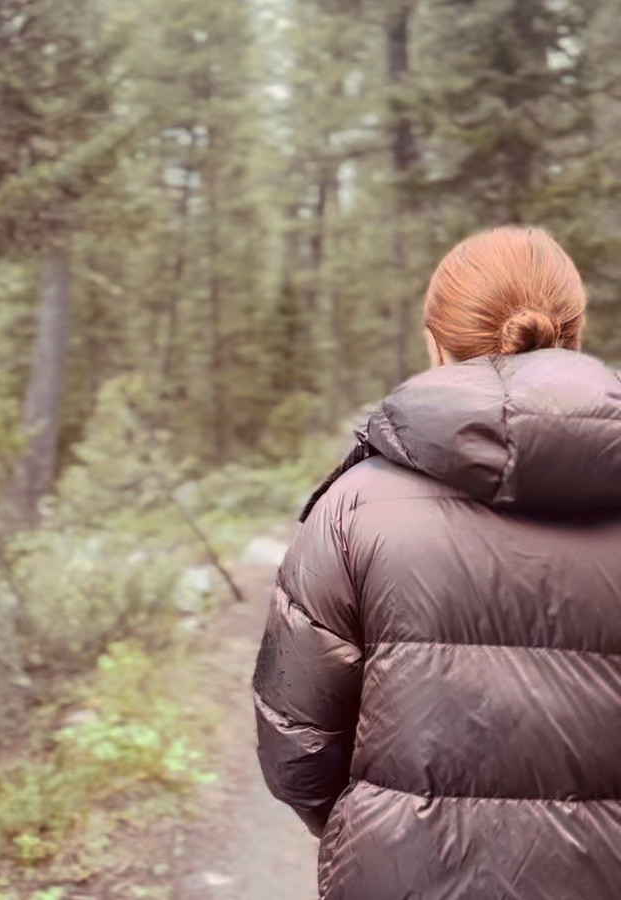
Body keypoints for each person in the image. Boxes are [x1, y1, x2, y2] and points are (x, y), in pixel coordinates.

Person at [252, 226, 621, 899]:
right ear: (574, 334)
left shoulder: (356, 505)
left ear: (437, 341)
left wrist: (377, 827)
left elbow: (295, 744)